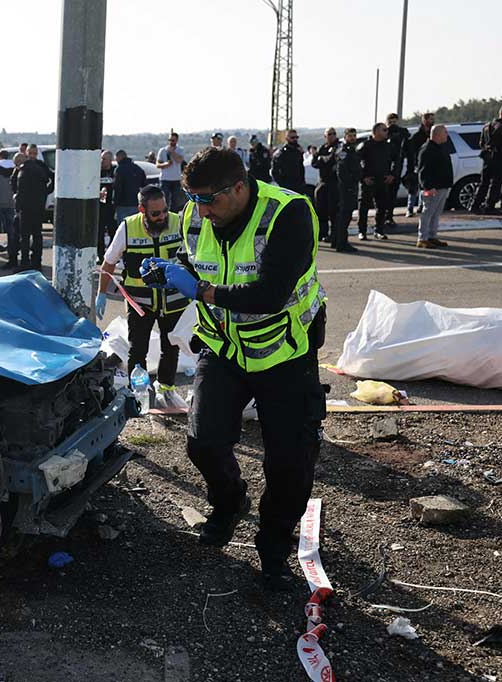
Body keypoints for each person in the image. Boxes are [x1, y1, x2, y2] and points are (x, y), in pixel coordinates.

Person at [141, 146, 327, 591]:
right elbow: (191, 259)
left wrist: (201, 291)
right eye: (194, 199)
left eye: (210, 200)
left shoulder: (288, 214)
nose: (201, 211)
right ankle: (229, 503)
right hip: (223, 348)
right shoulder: (195, 213)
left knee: (289, 462)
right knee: (203, 442)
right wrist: (169, 270)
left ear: (239, 187)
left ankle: (273, 548)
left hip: (284, 352)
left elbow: (270, 295)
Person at [96, 184, 190, 408]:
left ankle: (166, 389)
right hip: (140, 303)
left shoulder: (178, 222)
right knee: (138, 349)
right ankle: (138, 394)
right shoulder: (128, 228)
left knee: (171, 347)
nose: (162, 217)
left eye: (165, 210)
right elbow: (108, 263)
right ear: (142, 210)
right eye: (156, 213)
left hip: (173, 300)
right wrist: (101, 293)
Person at [11, 144, 53, 271]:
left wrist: (45, 192)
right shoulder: (26, 166)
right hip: (30, 206)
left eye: (34, 153)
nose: (32, 155)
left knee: (32, 235)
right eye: (31, 153)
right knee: (28, 236)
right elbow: (16, 185)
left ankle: (32, 262)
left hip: (33, 206)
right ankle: (29, 262)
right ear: (27, 153)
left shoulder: (36, 166)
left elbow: (18, 187)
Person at [472, 104, 502, 215]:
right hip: (500, 159)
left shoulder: (487, 126)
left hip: (487, 159)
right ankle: (490, 206)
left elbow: (481, 144)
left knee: (484, 183)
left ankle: (475, 205)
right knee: (496, 183)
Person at [416, 125, 453, 249]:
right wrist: (428, 187)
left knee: (436, 213)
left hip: (442, 186)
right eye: (445, 132)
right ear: (437, 134)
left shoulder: (440, 147)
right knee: (428, 212)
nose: (447, 134)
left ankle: (431, 236)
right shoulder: (427, 149)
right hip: (432, 188)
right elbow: (423, 171)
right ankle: (422, 238)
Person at [358, 122, 394, 239]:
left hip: (383, 180)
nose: (387, 132)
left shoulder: (388, 146)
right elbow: (356, 163)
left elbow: (395, 161)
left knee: (382, 206)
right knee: (364, 207)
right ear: (376, 132)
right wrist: (363, 177)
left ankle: (379, 230)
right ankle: (362, 231)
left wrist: (392, 175)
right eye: (384, 130)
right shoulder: (365, 145)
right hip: (369, 181)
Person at [333, 128, 360, 253]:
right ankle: (341, 243)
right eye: (350, 136)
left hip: (351, 187)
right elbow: (341, 172)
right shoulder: (343, 151)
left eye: (354, 135)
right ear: (345, 137)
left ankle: (340, 241)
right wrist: (349, 184)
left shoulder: (352, 150)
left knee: (346, 216)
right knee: (344, 216)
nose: (353, 138)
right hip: (345, 188)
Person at [311, 128, 340, 243]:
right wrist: (321, 158)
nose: (332, 136)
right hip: (322, 182)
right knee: (321, 209)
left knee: (333, 211)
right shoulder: (322, 148)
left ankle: (334, 234)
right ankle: (322, 233)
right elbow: (314, 163)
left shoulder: (339, 147)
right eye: (329, 134)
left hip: (334, 182)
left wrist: (323, 159)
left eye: (333, 134)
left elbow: (332, 160)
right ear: (325, 136)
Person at [406, 112, 435, 216]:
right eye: (430, 119)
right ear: (424, 120)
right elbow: (411, 152)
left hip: (429, 164)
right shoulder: (417, 136)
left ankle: (421, 206)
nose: (432, 121)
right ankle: (410, 208)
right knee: (414, 187)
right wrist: (414, 164)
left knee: (425, 187)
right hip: (418, 164)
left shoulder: (432, 134)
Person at [385, 113, 411, 227]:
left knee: (392, 194)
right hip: (384, 168)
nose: (392, 125)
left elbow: (408, 149)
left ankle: (389, 216)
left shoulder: (402, 133)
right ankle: (383, 217)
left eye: (394, 122)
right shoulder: (384, 133)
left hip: (397, 168)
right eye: (390, 122)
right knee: (383, 195)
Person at [113, 149, 147, 224]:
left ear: (118, 157)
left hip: (122, 205)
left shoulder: (119, 169)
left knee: (123, 227)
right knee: (135, 226)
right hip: (136, 203)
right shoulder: (138, 169)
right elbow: (144, 186)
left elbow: (117, 188)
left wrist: (115, 203)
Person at [156, 132, 186, 212]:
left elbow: (179, 160)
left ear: (176, 140)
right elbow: (158, 164)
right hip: (165, 179)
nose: (171, 142)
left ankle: (173, 214)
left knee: (175, 201)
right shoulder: (162, 150)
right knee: (164, 199)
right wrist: (166, 164)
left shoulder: (180, 150)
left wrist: (172, 152)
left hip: (176, 179)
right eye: (169, 140)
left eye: (173, 140)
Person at [270, 129, 305, 194]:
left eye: (296, 137)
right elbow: (274, 171)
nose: (295, 139)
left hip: (298, 186)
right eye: (292, 138)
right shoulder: (281, 153)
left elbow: (301, 167)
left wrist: (302, 182)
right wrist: (282, 184)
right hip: (286, 186)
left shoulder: (298, 151)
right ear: (287, 138)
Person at [98, 150, 116, 261]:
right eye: (101, 158)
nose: (102, 161)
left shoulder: (115, 171)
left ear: (110, 160)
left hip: (111, 206)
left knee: (113, 231)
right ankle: (100, 255)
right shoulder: (97, 171)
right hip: (99, 207)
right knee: (99, 232)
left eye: (104, 159)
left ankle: (111, 255)